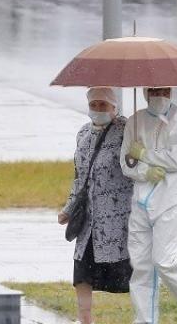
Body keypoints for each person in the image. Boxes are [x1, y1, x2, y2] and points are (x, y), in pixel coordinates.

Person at [121, 87, 177, 324]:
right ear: (146, 92)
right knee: (141, 267)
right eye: (154, 90)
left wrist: (145, 154)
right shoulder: (134, 122)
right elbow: (125, 162)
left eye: (164, 90)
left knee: (164, 260)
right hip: (141, 201)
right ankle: (144, 320)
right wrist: (143, 171)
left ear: (171, 91)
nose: (159, 95)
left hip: (172, 199)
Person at [59, 87, 134, 324]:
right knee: (82, 271)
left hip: (118, 219)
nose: (99, 109)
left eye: (104, 105)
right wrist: (68, 209)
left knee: (129, 273)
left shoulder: (127, 130)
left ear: (114, 107)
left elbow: (136, 167)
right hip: (89, 219)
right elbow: (79, 177)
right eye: (94, 105)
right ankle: (85, 319)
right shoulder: (83, 133)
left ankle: (144, 316)